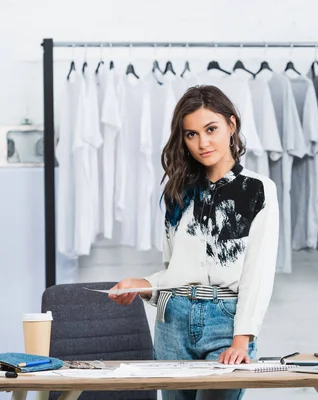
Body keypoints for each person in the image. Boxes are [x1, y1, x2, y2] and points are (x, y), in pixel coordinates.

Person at [108, 85, 279, 400]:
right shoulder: (178, 193)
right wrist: (142, 284)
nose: (203, 143)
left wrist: (242, 339)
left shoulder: (257, 190)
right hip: (172, 323)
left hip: (225, 325)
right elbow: (174, 272)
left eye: (211, 129)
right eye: (191, 134)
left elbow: (259, 273)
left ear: (232, 125)